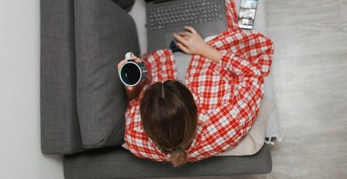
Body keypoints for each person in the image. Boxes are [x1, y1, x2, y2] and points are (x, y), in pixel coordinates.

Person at [117, 26, 273, 167]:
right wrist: (204, 48)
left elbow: (131, 101)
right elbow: (253, 74)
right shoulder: (228, 124)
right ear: (196, 111)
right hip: (203, 53)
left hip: (160, 58)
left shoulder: (134, 138)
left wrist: (131, 86)